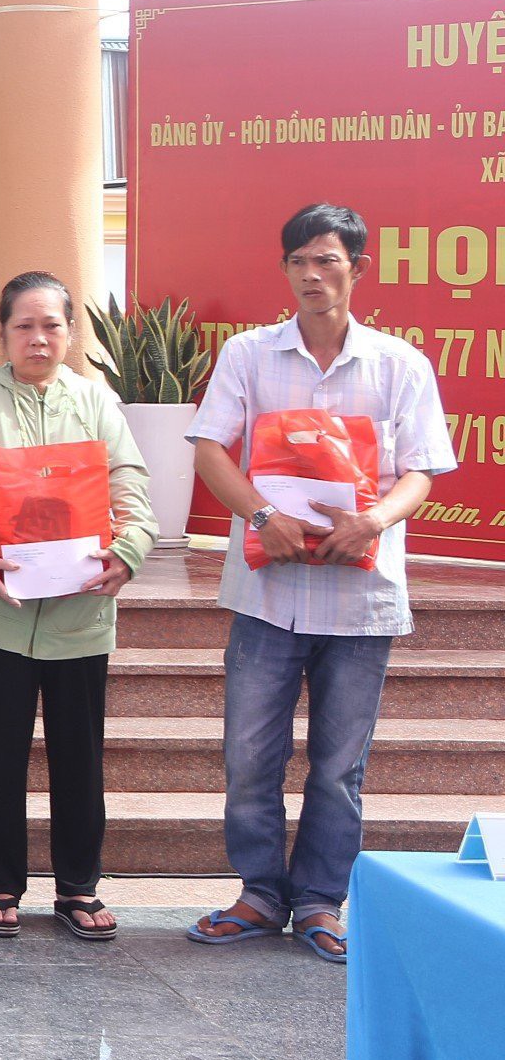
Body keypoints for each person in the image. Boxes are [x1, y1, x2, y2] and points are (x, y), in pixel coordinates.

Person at [186, 203, 453, 965]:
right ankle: (259, 892)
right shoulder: (248, 355)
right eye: (299, 260)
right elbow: (210, 449)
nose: (312, 274)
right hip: (268, 594)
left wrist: (373, 521)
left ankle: (319, 901)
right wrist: (262, 514)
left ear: (358, 269)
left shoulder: (400, 364)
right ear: (284, 269)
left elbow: (422, 470)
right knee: (248, 755)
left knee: (339, 767)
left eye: (327, 260)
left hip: (360, 601)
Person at [0, 271, 155, 941]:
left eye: (52, 325)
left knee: (79, 756)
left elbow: (128, 477)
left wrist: (131, 549)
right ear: (2, 332)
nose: (39, 338)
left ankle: (78, 885)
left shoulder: (95, 399)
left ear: (70, 332)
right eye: (24, 326)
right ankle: (2, 883)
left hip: (80, 608)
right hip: (1, 607)